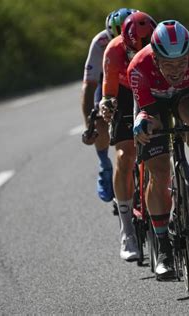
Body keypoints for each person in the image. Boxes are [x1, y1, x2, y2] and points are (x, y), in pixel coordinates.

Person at [126, 20, 189, 280]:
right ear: (155, 56)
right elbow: (145, 111)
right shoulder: (138, 67)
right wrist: (141, 125)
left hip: (186, 98)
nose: (176, 69)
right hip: (152, 104)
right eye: (168, 64)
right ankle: (163, 246)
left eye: (181, 62)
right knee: (158, 171)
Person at [99, 12, 157, 261]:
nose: (142, 57)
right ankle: (127, 230)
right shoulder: (113, 51)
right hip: (124, 92)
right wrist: (107, 106)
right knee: (124, 155)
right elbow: (108, 93)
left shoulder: (161, 43)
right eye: (136, 53)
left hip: (155, 87)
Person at [81, 8, 137, 207]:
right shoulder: (100, 43)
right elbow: (89, 86)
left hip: (140, 78)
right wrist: (90, 125)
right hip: (110, 81)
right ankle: (105, 165)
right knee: (100, 120)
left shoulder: (147, 32)